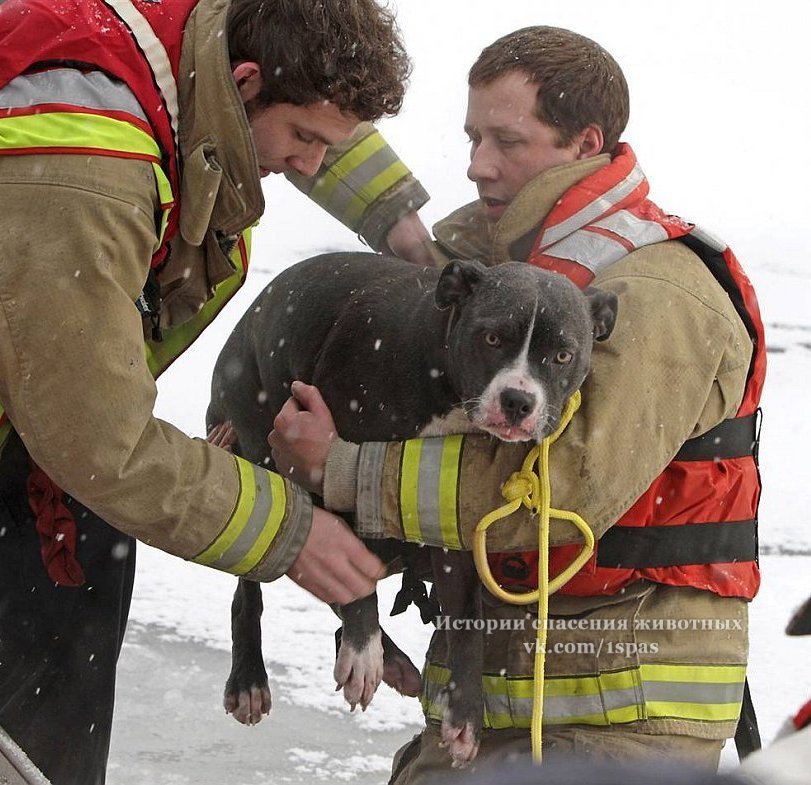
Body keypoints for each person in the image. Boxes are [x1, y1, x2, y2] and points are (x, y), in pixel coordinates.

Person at [268, 25, 765, 783]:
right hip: (502, 709)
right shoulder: (515, 271)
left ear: (583, 142)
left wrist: (342, 471)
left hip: (614, 717)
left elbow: (554, 496)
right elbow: (404, 288)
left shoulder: (655, 289)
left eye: (505, 139)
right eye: (470, 137)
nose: (476, 164)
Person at [0, 0, 434, 782]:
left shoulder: (213, 38)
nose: (308, 165)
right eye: (303, 142)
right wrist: (289, 530)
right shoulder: (88, 171)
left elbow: (298, 94)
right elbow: (98, 440)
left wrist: (401, 226)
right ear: (243, 81)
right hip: (38, 443)